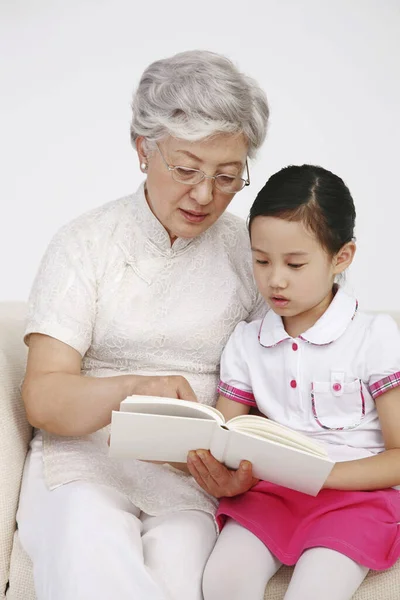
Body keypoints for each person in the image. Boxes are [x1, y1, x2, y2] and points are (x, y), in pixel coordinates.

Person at [17, 50, 269, 600]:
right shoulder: (85, 243)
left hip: (190, 479)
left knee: (182, 572)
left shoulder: (253, 254)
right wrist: (134, 391)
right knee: (90, 547)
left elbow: (274, 393)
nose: (205, 195)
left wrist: (242, 464)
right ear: (142, 150)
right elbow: (43, 395)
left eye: (227, 177)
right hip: (83, 461)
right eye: (186, 170)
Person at [197, 165, 400, 600]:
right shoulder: (247, 341)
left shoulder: (374, 336)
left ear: (341, 257)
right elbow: (224, 440)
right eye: (261, 260)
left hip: (356, 498)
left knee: (316, 590)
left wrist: (323, 476)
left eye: (294, 263)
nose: (276, 279)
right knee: (222, 584)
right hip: (271, 497)